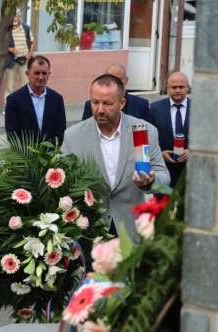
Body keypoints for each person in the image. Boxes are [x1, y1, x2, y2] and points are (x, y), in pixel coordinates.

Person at [62, 74, 170, 242]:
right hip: (90, 234)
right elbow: (60, 184)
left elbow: (164, 177)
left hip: (131, 233)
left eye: (107, 103)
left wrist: (150, 182)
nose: (100, 109)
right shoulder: (73, 136)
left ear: (122, 103)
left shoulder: (144, 131)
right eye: (95, 102)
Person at [5, 55, 66, 146]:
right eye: (36, 73)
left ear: (49, 74)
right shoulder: (14, 100)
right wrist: (31, 155)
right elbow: (12, 135)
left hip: (48, 157)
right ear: (27, 74)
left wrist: (45, 155)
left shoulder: (57, 99)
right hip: (23, 157)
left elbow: (60, 133)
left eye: (44, 73)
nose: (41, 77)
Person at [150, 71, 190, 188]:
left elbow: (207, 136)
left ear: (188, 87)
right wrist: (161, 152)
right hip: (163, 169)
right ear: (167, 87)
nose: (177, 90)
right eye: (173, 87)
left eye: (181, 87)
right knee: (162, 206)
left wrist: (192, 152)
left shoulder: (199, 108)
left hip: (190, 172)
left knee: (189, 206)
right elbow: (149, 137)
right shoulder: (154, 108)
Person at [82, 64, 153, 123]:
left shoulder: (141, 104)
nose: (112, 83)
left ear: (126, 80)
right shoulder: (90, 105)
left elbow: (148, 132)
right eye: (108, 79)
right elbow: (85, 130)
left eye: (117, 79)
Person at [3, 13, 35, 116]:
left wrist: (30, 54)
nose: (14, 18)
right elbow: (2, 44)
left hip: (25, 60)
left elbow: (32, 42)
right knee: (10, 86)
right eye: (12, 16)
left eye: (15, 16)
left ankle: (24, 107)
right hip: (12, 61)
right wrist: (10, 49)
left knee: (25, 85)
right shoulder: (7, 29)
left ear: (19, 17)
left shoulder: (26, 28)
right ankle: (7, 108)